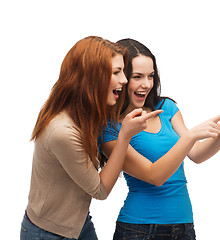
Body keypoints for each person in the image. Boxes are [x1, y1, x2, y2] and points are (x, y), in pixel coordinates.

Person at [100, 39, 220, 240]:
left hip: (184, 227)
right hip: (138, 230)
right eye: (137, 77)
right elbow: (155, 176)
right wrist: (191, 135)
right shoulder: (111, 128)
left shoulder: (166, 108)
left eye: (151, 76)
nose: (147, 84)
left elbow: (196, 154)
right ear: (121, 78)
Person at [20, 36, 162, 240]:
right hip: (50, 233)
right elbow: (100, 190)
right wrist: (124, 137)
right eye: (116, 72)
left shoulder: (89, 113)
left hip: (80, 223)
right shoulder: (63, 131)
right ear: (91, 77)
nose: (124, 79)